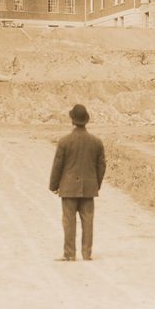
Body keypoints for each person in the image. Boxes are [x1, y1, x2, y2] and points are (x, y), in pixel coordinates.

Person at [48, 103, 106, 261]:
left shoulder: (64, 141)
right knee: (88, 220)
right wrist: (96, 184)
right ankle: (87, 254)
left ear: (72, 120)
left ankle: (69, 254)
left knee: (68, 221)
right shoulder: (96, 142)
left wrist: (54, 185)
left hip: (68, 188)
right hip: (89, 187)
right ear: (86, 120)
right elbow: (101, 167)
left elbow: (58, 165)